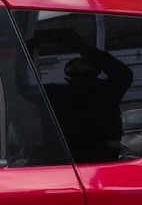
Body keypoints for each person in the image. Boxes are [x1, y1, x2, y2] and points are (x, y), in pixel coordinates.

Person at [41, 32, 134, 163]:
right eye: (76, 66)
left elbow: (21, 89)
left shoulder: (55, 94)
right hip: (84, 162)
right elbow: (123, 74)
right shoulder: (57, 94)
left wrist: (82, 48)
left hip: (94, 162)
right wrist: (82, 48)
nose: (80, 67)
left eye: (83, 63)